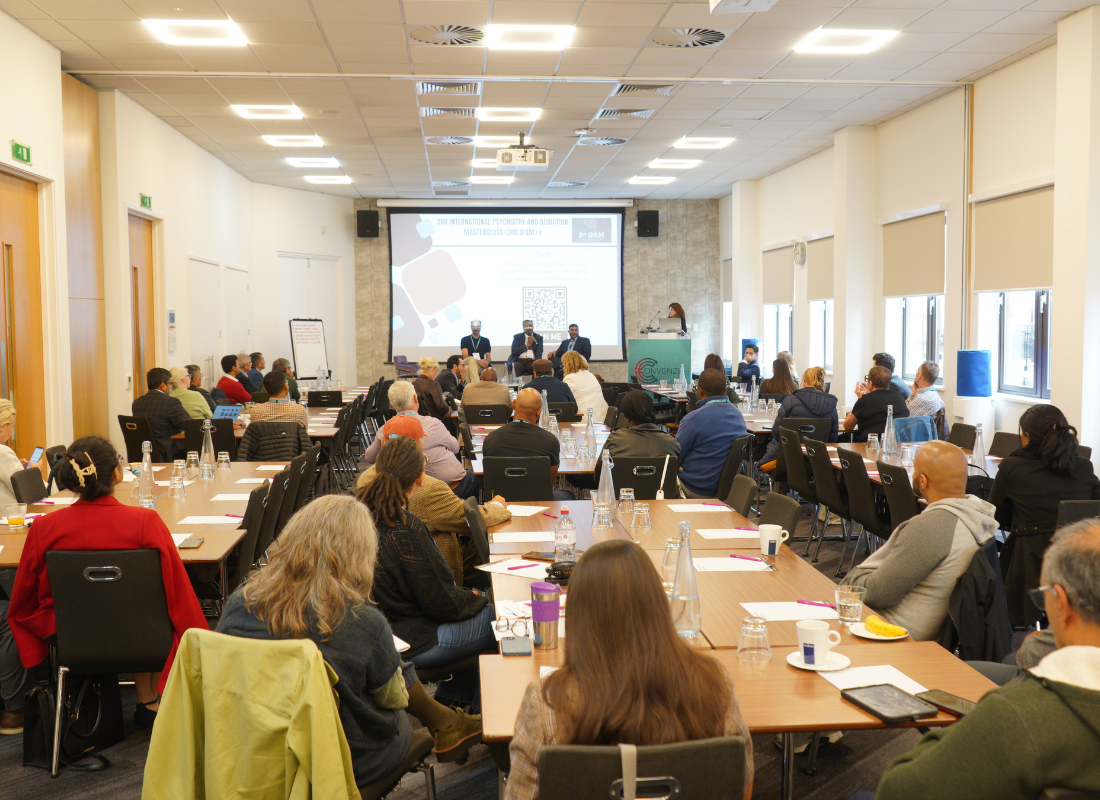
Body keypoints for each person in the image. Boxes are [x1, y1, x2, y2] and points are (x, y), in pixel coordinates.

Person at [217, 495, 483, 782]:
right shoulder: (360, 621)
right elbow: (395, 698)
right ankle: (449, 722)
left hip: (254, 752)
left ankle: (446, 720)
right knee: (387, 680)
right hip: (347, 759)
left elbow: (224, 678)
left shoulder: (239, 605)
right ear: (361, 554)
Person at [504, 540, 753, 800]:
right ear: (658, 604)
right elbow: (741, 783)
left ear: (578, 617)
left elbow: (520, 796)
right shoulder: (713, 682)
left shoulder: (547, 701)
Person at [870, 520, 1100, 800]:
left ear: (1061, 604)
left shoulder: (1013, 716)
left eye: (1043, 597)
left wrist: (958, 732)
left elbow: (897, 790)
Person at [7, 437, 208, 729]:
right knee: (150, 603)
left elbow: (23, 596)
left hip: (70, 634)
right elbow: (178, 592)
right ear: (117, 473)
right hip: (142, 633)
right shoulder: (145, 521)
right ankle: (149, 701)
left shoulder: (44, 527)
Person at [358, 435, 495, 709]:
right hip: (415, 639)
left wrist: (466, 598)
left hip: (379, 633)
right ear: (420, 477)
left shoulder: (361, 515)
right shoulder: (406, 528)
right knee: (500, 620)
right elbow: (442, 603)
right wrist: (476, 598)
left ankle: (453, 699)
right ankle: (484, 716)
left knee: (478, 610)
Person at [846, 441, 998, 643]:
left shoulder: (932, 527)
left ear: (923, 481)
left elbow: (877, 593)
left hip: (890, 634)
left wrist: (852, 580)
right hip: (923, 635)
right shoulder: (977, 518)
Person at [357, 418, 510, 583]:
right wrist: (497, 506)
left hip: (390, 575)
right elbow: (473, 520)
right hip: (438, 571)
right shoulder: (427, 488)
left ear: (383, 443)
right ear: (418, 445)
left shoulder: (365, 480)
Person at [990, 404, 1100, 626]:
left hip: (1027, 561)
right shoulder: (1083, 466)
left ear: (1027, 437)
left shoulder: (1012, 467)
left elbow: (995, 516)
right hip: (1079, 560)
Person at [363, 385, 477, 499]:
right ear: (415, 398)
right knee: (480, 479)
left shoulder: (385, 429)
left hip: (405, 492)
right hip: (449, 488)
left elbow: (369, 457)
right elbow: (456, 448)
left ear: (392, 405)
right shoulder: (433, 424)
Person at [483, 388, 571, 500]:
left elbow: (490, 476)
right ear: (539, 412)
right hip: (540, 501)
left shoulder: (491, 439)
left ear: (513, 404)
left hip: (501, 502)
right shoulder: (550, 441)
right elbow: (551, 482)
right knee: (568, 495)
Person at [676, 368, 748, 498]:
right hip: (724, 489)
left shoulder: (693, 419)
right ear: (725, 389)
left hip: (692, 487)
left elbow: (675, 458)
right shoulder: (738, 415)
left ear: (700, 390)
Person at [757, 367, 839, 466]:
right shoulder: (831, 406)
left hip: (786, 459)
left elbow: (776, 433)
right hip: (818, 461)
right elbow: (832, 439)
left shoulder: (790, 400)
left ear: (804, 382)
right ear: (823, 385)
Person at [599, 390, 680, 462]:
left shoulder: (615, 441)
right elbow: (675, 471)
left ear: (626, 418)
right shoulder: (672, 444)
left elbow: (599, 471)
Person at [132, 366, 191, 459]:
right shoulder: (171, 402)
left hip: (144, 454)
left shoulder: (137, 403)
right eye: (170, 383)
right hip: (169, 454)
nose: (171, 387)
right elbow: (188, 424)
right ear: (163, 385)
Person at [843, 366, 910, 442]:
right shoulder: (900, 398)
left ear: (871, 383)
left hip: (872, 443)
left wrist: (860, 398)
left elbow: (848, 425)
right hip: (897, 443)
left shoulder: (865, 400)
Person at [0, 400, 40, 509]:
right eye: (12, 426)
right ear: (3, 426)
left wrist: (18, 469)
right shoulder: (3, 452)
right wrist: (35, 472)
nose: (11, 431)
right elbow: (26, 490)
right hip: (9, 516)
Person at [413, 359, 455, 435]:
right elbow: (442, 409)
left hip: (418, 421)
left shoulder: (413, 384)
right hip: (434, 421)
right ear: (432, 370)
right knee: (455, 417)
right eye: (436, 371)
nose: (435, 374)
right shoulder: (434, 384)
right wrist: (441, 399)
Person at [561, 352, 607, 421]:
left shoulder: (570, 378)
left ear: (567, 364)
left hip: (584, 419)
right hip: (601, 417)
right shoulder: (590, 375)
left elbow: (564, 399)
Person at [907, 361, 945, 433]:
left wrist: (912, 396)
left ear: (920, 375)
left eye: (917, 371)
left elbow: (901, 420)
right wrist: (913, 394)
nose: (916, 374)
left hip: (914, 436)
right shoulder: (934, 395)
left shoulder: (922, 399)